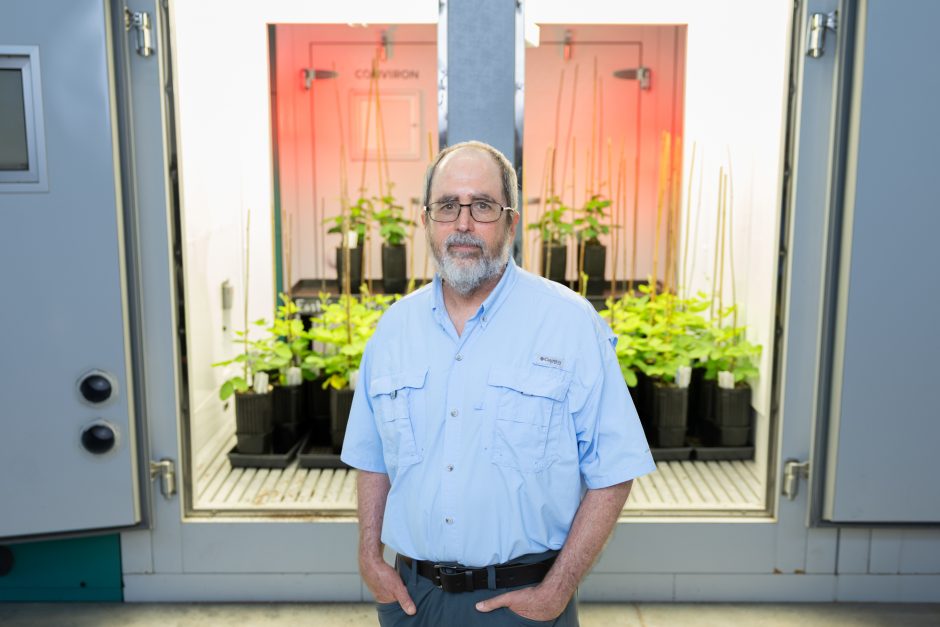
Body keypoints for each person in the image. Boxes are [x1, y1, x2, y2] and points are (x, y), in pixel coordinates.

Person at [341, 140, 655, 626]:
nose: (463, 223)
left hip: (523, 606)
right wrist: (369, 558)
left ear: (511, 221)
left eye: (482, 206)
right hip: (412, 602)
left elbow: (613, 470)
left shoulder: (569, 324)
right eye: (447, 206)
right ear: (426, 220)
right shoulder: (394, 330)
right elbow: (372, 457)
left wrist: (557, 590)